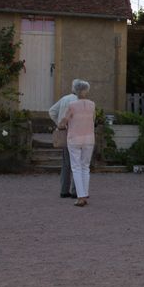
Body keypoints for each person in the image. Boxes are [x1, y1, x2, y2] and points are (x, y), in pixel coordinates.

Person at [59, 80, 95, 208]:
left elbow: (64, 121)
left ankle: (80, 197)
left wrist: (61, 125)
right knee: (86, 167)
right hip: (89, 139)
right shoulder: (92, 105)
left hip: (74, 139)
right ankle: (84, 194)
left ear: (75, 90)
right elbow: (93, 119)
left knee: (76, 167)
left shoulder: (72, 105)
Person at [48, 80, 80, 199]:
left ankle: (64, 190)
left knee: (66, 163)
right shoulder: (80, 101)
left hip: (64, 133)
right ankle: (75, 191)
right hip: (77, 134)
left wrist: (59, 124)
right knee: (77, 163)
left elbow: (51, 111)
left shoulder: (65, 98)